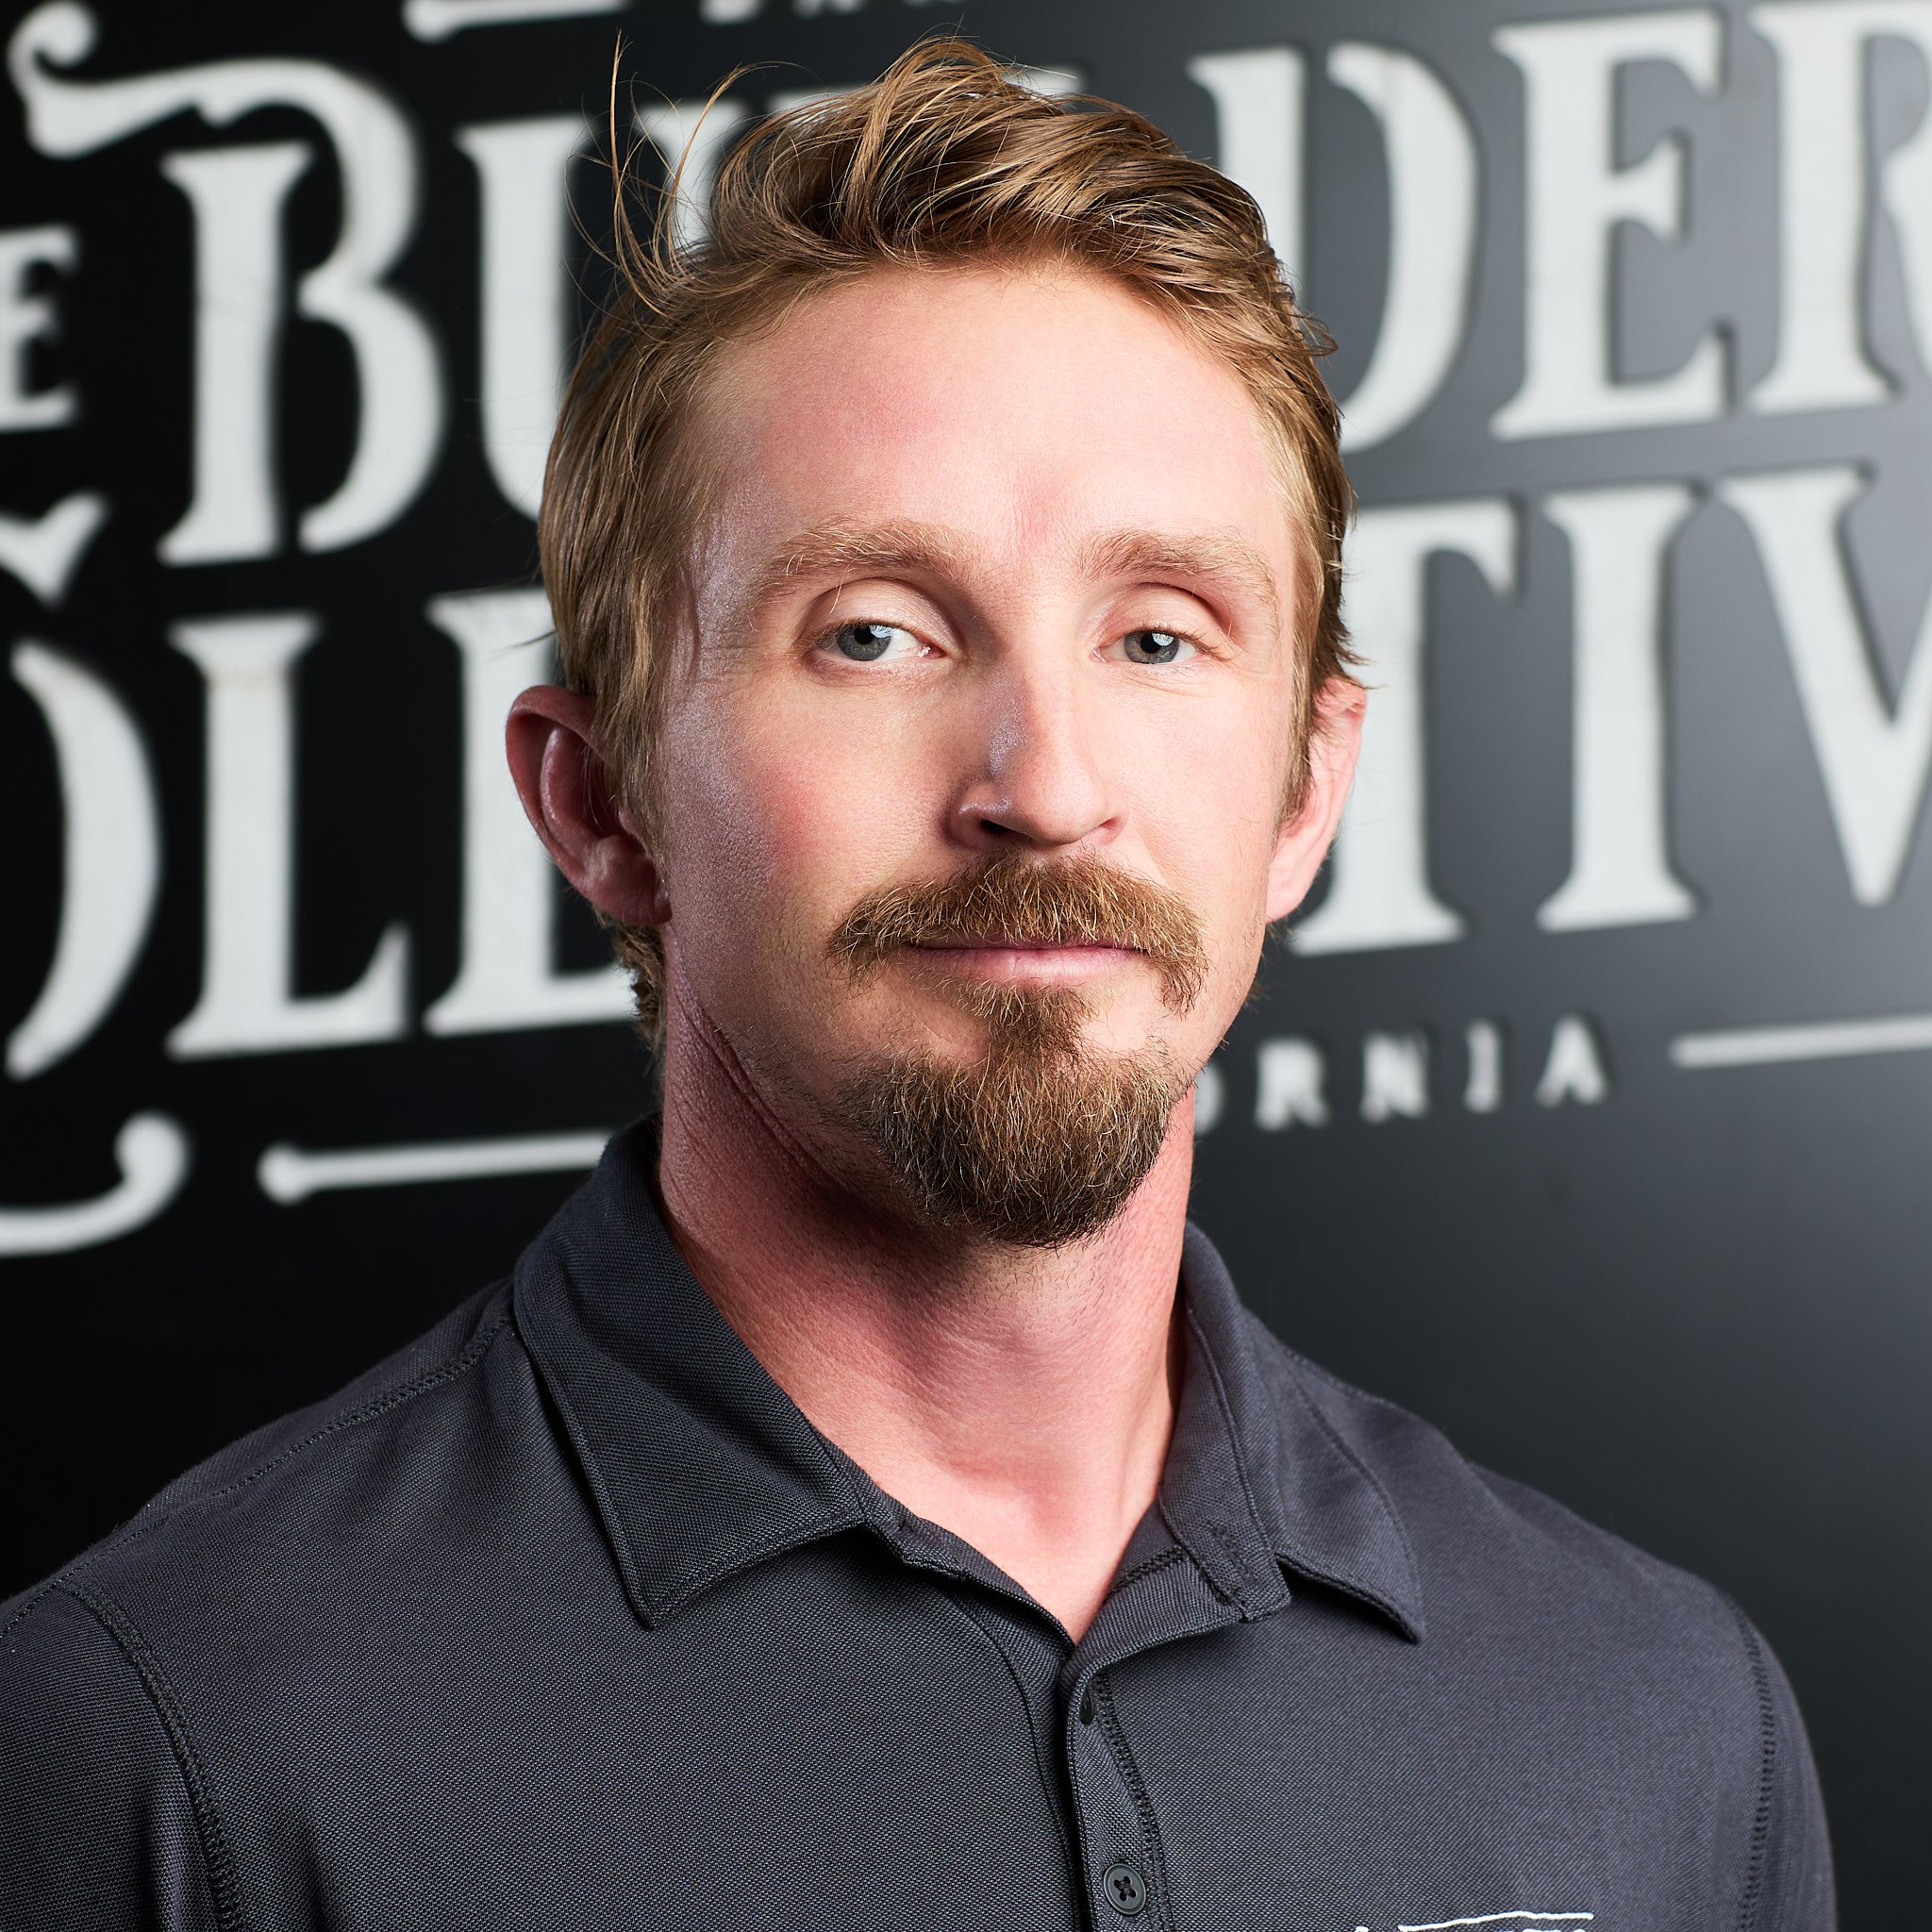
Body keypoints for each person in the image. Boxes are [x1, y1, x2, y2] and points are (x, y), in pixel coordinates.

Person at [0, 40, 1832, 1931]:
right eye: (872, 632)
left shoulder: (1662, 1724)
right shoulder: (166, 1749)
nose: (1041, 784)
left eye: (1156, 634)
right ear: (602, 801)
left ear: (1304, 789)